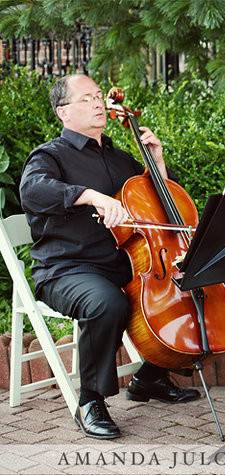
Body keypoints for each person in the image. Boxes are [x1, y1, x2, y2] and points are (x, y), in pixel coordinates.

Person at [19, 74, 201, 440]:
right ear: (63, 112)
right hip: (66, 270)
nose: (99, 103)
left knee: (190, 290)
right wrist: (91, 195)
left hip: (123, 265)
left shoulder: (120, 160)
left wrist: (157, 163)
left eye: (99, 96)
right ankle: (90, 400)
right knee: (107, 303)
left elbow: (160, 205)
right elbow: (33, 191)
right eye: (86, 99)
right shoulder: (49, 156)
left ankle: (149, 377)